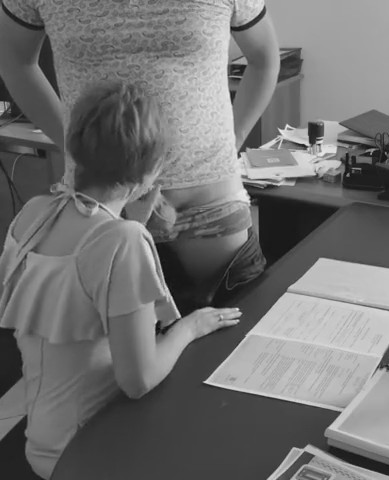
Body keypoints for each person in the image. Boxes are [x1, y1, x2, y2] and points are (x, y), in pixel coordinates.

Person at [0, 82, 243, 479]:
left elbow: (80, 277)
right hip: (89, 454)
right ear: (150, 171)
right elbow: (139, 380)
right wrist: (190, 327)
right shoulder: (123, 241)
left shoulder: (35, 212)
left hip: (39, 441)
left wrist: (131, 223)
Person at [0, 0, 281, 311]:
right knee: (106, 344)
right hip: (100, 214)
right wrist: (74, 146)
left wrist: (232, 141)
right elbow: (13, 60)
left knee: (246, 338)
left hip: (210, 211)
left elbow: (264, 59)